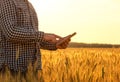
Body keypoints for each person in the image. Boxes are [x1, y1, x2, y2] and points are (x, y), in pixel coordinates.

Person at [0, 0, 70, 79]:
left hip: (32, 70)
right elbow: (11, 33)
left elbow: (34, 39)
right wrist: (43, 36)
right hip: (11, 70)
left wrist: (55, 44)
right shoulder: (7, 2)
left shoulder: (29, 5)